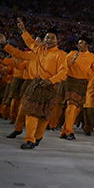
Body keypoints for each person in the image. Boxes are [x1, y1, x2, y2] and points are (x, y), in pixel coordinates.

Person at [14, 20, 68, 150]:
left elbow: (63, 71)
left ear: (57, 41)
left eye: (52, 38)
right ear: (44, 39)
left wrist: (51, 80)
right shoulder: (39, 50)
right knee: (31, 112)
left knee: (45, 115)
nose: (49, 40)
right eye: (47, 37)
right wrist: (23, 30)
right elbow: (30, 42)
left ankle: (38, 136)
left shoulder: (60, 54)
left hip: (51, 87)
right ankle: (29, 139)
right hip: (37, 84)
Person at [59, 35, 94, 140]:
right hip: (71, 81)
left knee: (76, 109)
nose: (79, 45)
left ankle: (64, 131)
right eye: (78, 43)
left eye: (81, 43)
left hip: (82, 84)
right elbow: (63, 65)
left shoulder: (92, 57)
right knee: (71, 105)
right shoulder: (72, 53)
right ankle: (69, 131)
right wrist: (72, 60)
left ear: (87, 45)